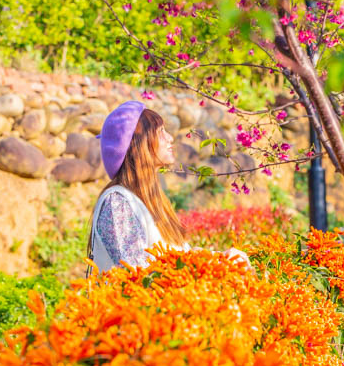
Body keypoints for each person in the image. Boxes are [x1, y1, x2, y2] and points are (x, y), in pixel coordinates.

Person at [87, 100, 248, 273]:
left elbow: (180, 256)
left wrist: (220, 258)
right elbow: (138, 273)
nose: (170, 138)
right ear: (138, 144)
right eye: (161, 131)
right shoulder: (118, 203)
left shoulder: (150, 200)